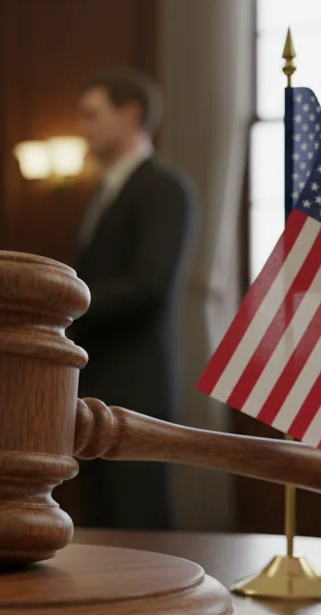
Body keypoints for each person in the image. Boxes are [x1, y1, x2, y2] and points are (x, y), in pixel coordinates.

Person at [70, 68, 198, 530]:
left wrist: (64, 306)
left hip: (138, 388)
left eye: (92, 115)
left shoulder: (164, 186)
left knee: (142, 530)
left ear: (130, 114)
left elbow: (150, 284)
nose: (83, 128)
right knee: (101, 530)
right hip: (93, 385)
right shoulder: (102, 193)